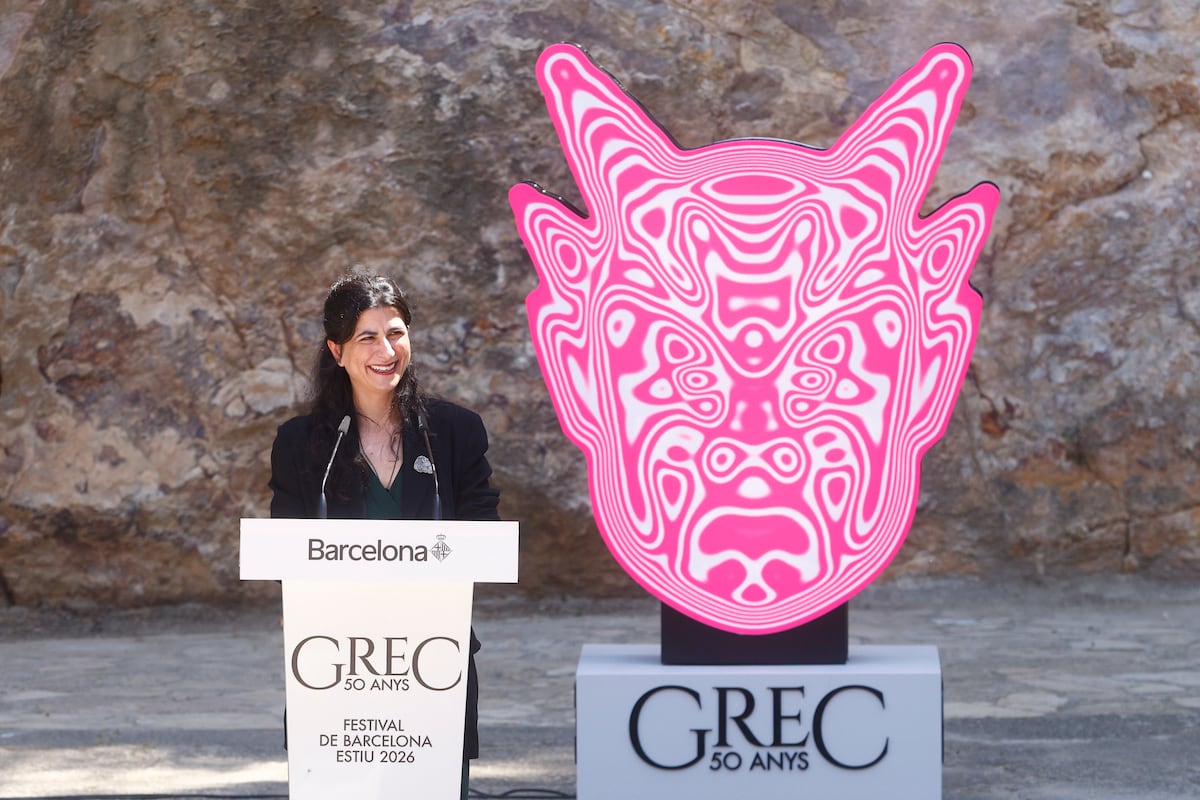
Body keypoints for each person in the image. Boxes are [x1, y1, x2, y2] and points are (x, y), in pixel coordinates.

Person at [268, 269, 500, 797]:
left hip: (431, 659)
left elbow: (483, 532)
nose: (385, 349)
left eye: (395, 332)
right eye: (367, 337)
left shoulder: (456, 433)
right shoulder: (301, 444)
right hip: (334, 661)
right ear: (337, 350)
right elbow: (287, 552)